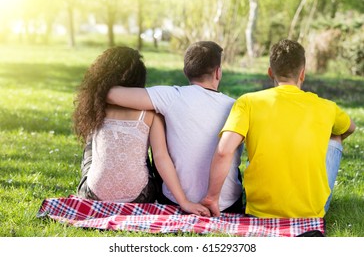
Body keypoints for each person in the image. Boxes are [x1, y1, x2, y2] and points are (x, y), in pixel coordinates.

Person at [201, 39, 356, 218]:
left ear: (270, 72)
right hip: (310, 213)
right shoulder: (327, 107)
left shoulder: (248, 102)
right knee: (335, 136)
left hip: (259, 212)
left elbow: (223, 151)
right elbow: (350, 128)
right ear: (302, 74)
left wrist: (212, 197)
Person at [107, 41, 244, 214]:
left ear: (186, 72)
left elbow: (110, 95)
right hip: (228, 205)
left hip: (175, 203)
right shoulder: (236, 106)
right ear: (218, 72)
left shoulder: (170, 96)